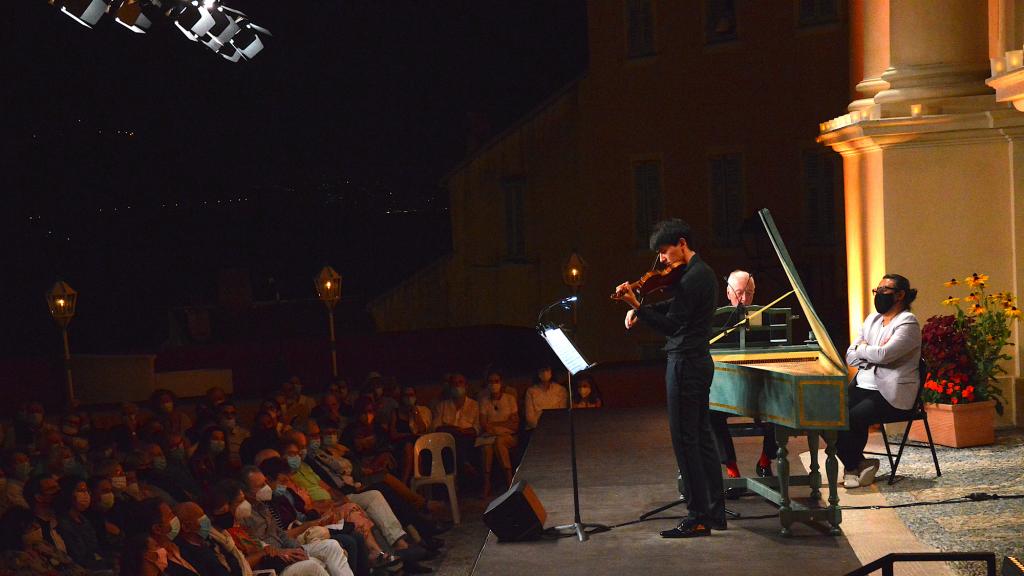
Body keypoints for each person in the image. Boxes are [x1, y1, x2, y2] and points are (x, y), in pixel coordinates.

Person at [615, 218, 725, 538]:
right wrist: (640, 309)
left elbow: (674, 324)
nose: (661, 259)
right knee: (702, 438)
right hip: (696, 362)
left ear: (681, 243)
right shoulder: (696, 273)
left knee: (684, 439)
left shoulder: (694, 278)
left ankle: (697, 516)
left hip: (686, 364)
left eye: (664, 252)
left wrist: (637, 305)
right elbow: (675, 306)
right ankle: (714, 513)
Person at [839, 274, 921, 489]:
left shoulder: (908, 322)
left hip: (889, 392)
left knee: (853, 417)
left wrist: (864, 349)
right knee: (827, 415)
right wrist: (869, 351)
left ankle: (852, 468)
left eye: (884, 291)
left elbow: (885, 354)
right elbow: (850, 355)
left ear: (900, 295)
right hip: (862, 385)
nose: (878, 295)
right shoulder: (872, 320)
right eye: (877, 291)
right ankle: (858, 463)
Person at [709, 270, 778, 482]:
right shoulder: (717, 319)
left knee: (783, 408)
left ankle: (765, 460)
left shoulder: (760, 316)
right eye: (739, 293)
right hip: (726, 385)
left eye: (749, 293)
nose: (745, 299)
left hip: (758, 382)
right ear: (729, 293)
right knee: (710, 414)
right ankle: (731, 469)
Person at [236, 466, 355, 576]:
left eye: (265, 483)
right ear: (245, 491)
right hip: (275, 560)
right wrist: (285, 552)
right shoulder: (242, 517)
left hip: (288, 550)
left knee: (332, 545)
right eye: (260, 486)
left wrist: (298, 549)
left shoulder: (263, 505)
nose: (266, 487)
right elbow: (258, 548)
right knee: (313, 564)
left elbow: (281, 534)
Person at [0, 506, 91, 576]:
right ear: (17, 533)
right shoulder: (12, 558)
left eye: (36, 524)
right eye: (31, 527)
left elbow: (71, 564)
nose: (37, 528)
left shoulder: (43, 545)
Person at [55, 475, 115, 571]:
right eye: (80, 491)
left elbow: (95, 548)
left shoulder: (84, 519)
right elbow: (77, 556)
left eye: (86, 491)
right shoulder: (62, 523)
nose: (86, 494)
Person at [477, 369, 519, 498]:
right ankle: (487, 483)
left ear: (501, 383)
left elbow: (515, 424)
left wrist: (495, 425)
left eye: (496, 381)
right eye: (490, 381)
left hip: (509, 436)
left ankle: (509, 481)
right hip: (492, 437)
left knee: (500, 442)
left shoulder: (510, 399)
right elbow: (484, 424)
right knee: (487, 448)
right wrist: (504, 423)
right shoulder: (484, 401)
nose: (493, 384)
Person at [431, 374, 480, 479]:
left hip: (468, 440)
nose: (457, 386)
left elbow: (477, 428)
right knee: (451, 442)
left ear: (466, 385)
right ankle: (464, 464)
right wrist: (454, 430)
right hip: (446, 440)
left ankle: (461, 469)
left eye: (460, 383)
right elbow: (436, 427)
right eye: (454, 384)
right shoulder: (442, 406)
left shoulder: (474, 405)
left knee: (460, 440)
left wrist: (462, 431)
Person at [174, 501, 236, 576]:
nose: (207, 520)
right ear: (186, 527)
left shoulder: (208, 540)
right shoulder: (189, 555)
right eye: (201, 517)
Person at [389, 386, 432, 484]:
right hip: (400, 444)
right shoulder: (395, 412)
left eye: (411, 395)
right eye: (406, 395)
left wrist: (415, 413)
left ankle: (416, 487)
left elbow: (422, 429)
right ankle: (404, 484)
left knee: (416, 453)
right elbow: (393, 434)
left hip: (417, 444)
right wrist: (407, 435)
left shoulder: (422, 410)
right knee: (408, 447)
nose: (408, 398)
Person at [524, 366, 568, 433]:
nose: (544, 373)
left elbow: (561, 412)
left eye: (547, 370)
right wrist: (540, 428)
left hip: (556, 428)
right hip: (535, 429)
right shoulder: (531, 391)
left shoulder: (561, 390)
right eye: (542, 370)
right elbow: (529, 417)